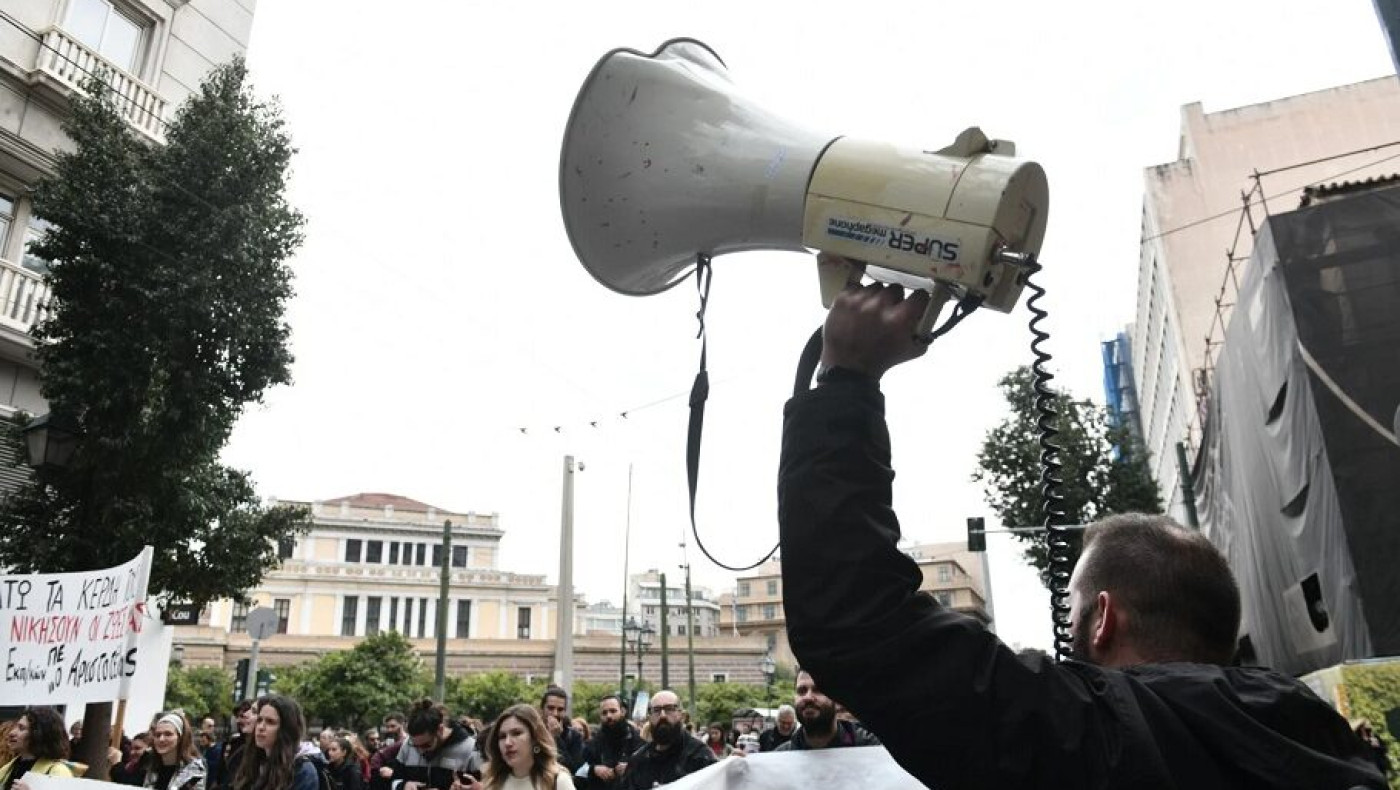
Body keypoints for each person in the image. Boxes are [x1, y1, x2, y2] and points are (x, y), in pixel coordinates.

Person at [777, 274, 1387, 788]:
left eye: (1070, 606)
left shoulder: (1101, 735)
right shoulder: (1324, 739)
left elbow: (855, 619)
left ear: (1103, 617)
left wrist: (846, 381)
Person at [617, 692, 714, 790]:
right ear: (649, 717)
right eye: (656, 710)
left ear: (682, 715)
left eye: (669, 709)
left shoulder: (700, 757)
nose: (662, 715)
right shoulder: (638, 760)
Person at [773, 670, 879, 752]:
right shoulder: (780, 758)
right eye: (802, 691)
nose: (808, 697)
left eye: (818, 690)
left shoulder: (873, 749)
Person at [389, 699, 482, 790]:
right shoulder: (407, 744)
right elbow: (394, 781)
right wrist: (404, 785)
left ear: (440, 730)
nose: (420, 752)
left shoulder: (470, 749)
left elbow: (485, 785)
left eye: (426, 745)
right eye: (415, 746)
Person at [477, 704, 572, 790]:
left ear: (535, 738)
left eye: (516, 733)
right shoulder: (492, 782)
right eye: (502, 736)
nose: (507, 743)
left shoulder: (558, 781)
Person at [234, 695, 320, 790]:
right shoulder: (255, 761)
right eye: (259, 720)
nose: (261, 727)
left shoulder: (302, 771)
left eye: (270, 722)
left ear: (286, 729)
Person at [112, 711, 208, 790]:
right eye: (158, 735)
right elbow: (130, 785)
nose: (161, 739)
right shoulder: (149, 762)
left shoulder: (194, 769)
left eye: (168, 734)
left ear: (180, 738)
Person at [0, 707, 73, 790]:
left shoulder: (58, 771)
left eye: (21, 728)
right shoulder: (9, 768)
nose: (12, 733)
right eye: (16, 727)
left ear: (39, 734)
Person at [580, 695, 640, 790]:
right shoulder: (593, 742)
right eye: (604, 713)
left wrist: (630, 767)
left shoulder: (636, 739)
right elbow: (578, 768)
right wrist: (594, 769)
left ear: (622, 712)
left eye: (613, 711)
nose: (609, 716)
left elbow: (648, 766)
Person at [208, 701, 256, 790]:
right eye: (237, 717)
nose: (238, 721)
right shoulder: (230, 744)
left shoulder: (261, 749)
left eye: (242, 716)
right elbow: (221, 774)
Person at [538, 688, 583, 775]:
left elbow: (574, 769)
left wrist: (556, 738)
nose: (555, 713)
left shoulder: (574, 736)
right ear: (542, 709)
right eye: (551, 708)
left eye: (560, 710)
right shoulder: (532, 733)